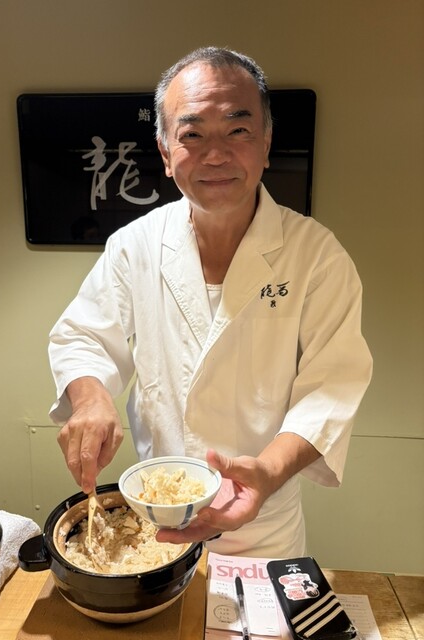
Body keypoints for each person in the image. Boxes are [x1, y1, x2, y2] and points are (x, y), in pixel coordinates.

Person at [48, 46, 372, 558]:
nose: (215, 154)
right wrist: (90, 400)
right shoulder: (135, 245)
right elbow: (84, 334)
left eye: (238, 130)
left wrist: (266, 473)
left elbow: (331, 387)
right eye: (193, 134)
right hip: (155, 518)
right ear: (165, 151)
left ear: (266, 143)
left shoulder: (316, 256)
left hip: (263, 524)